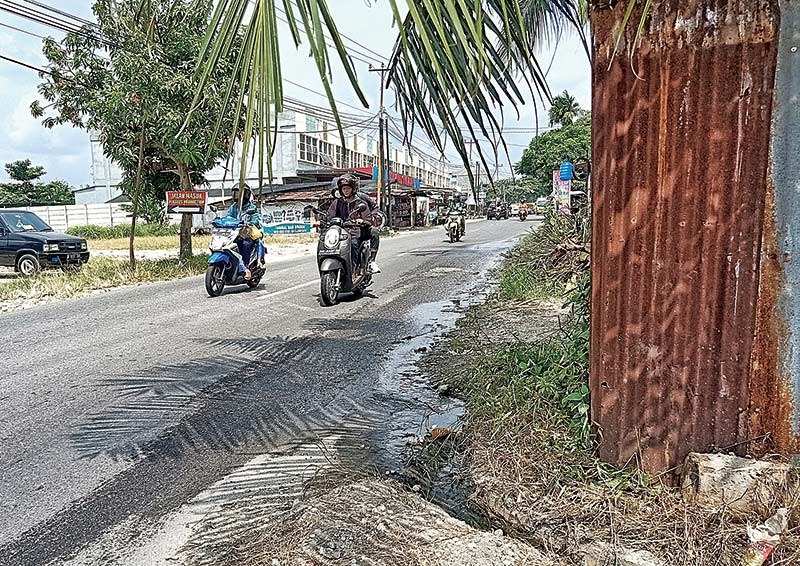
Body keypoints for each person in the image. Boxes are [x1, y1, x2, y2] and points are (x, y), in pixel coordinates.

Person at [330, 175, 382, 273]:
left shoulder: (360, 201)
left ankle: (370, 262)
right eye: (344, 189)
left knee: (371, 233)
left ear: (353, 189)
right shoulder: (337, 202)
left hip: (357, 230)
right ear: (340, 190)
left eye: (348, 188)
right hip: (341, 231)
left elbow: (368, 218)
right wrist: (322, 221)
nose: (346, 191)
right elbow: (330, 215)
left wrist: (362, 221)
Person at [227, 186, 262, 280]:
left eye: (239, 194)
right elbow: (228, 217)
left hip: (248, 233)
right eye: (235, 193)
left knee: (245, 244)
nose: (237, 196)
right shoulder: (233, 207)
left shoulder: (251, 207)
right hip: (234, 233)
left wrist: (250, 223)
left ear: (246, 194)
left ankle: (245, 266)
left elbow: (256, 219)